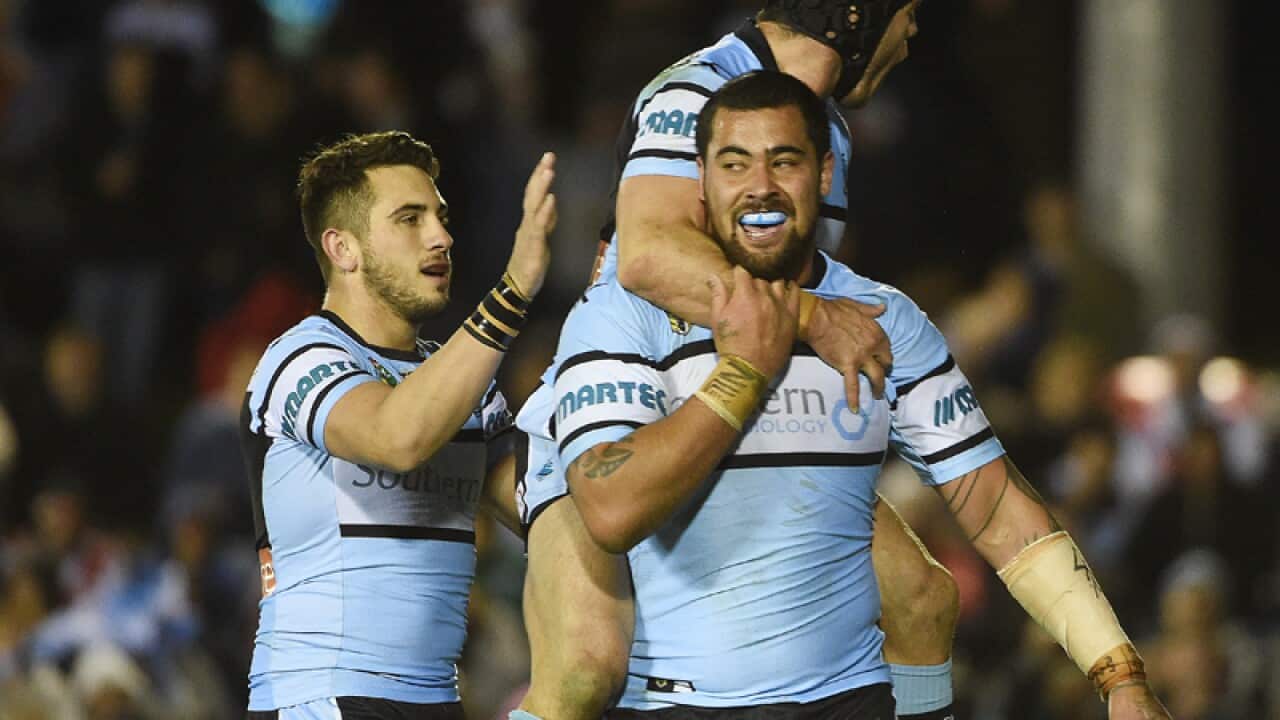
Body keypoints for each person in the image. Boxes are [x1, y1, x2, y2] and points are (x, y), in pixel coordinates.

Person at [548, 70, 1171, 718]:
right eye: (735, 164)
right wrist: (746, 371)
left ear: (822, 174)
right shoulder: (625, 311)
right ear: (700, 181)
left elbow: (996, 509)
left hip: (851, 702)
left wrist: (1119, 674)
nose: (760, 185)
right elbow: (611, 508)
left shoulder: (883, 318)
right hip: (673, 707)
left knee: (927, 596)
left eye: (783, 160)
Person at [515, 3, 961, 719]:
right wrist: (814, 320)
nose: (911, 37)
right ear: (856, 14)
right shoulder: (693, 90)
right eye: (907, 13)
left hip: (761, 419)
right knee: (585, 668)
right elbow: (650, 255)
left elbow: (800, 274)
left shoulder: (826, 134)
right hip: (626, 405)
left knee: (924, 597)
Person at [238, 131, 556, 719]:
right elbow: (396, 437)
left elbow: (549, 514)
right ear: (343, 248)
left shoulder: (464, 387)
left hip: (438, 700)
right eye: (410, 219)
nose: (441, 237)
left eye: (439, 216)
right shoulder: (300, 357)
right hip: (323, 698)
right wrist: (511, 295)